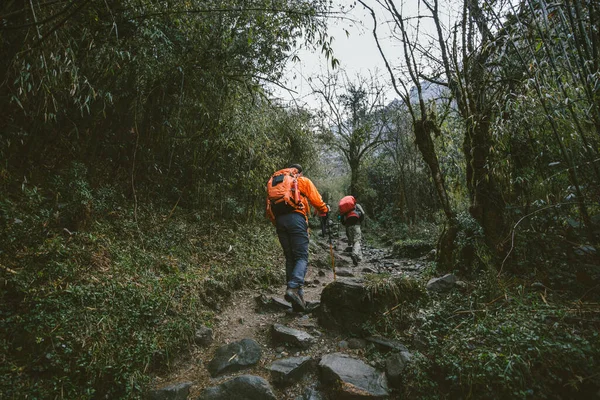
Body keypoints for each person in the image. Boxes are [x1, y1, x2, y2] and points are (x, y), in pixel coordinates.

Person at [266, 164, 329, 312]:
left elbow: (269, 207)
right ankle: (293, 288)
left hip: (280, 221)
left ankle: (297, 300)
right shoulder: (300, 180)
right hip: (296, 219)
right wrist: (324, 210)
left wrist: (278, 223)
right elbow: (316, 199)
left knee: (290, 258)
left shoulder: (275, 182)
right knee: (301, 257)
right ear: (298, 172)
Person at [338, 195, 365, 266]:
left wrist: (345, 224)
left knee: (353, 241)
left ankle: (359, 258)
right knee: (357, 240)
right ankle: (355, 254)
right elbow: (363, 213)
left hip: (348, 226)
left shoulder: (345, 209)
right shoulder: (357, 206)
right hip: (356, 225)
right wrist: (360, 220)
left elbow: (342, 219)